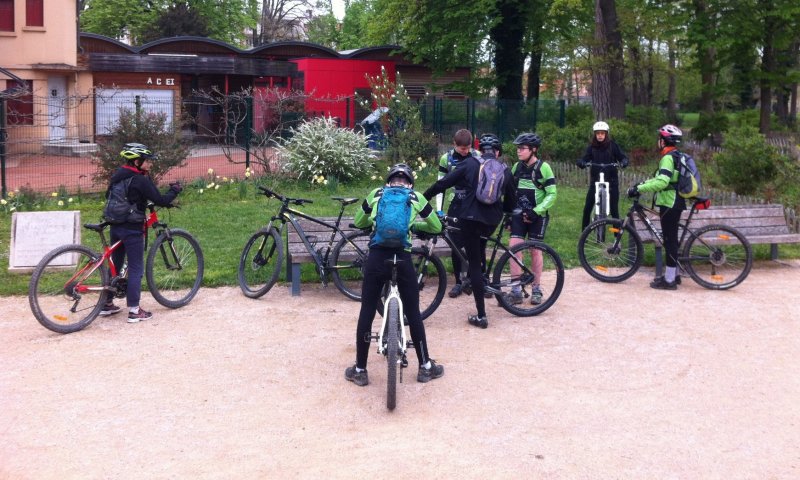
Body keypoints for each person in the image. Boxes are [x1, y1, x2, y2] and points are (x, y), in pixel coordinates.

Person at [345, 164, 444, 387]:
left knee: (367, 310)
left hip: (377, 258)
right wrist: (414, 226)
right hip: (403, 258)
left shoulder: (376, 194)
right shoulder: (415, 196)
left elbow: (360, 221)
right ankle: (426, 367)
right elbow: (436, 226)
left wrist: (373, 222)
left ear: (388, 181)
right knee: (413, 313)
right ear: (409, 183)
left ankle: (360, 369)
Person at [424, 134, 516, 329]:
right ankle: (484, 282)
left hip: (470, 218)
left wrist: (423, 198)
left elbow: (444, 183)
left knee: (473, 262)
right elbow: (511, 202)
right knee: (479, 249)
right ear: (498, 152)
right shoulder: (505, 170)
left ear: (480, 150)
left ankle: (481, 315)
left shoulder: (470, 164)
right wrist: (507, 217)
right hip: (492, 221)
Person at [100, 143, 183, 322]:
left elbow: (110, 196)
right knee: (136, 267)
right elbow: (160, 199)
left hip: (115, 224)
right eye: (147, 161)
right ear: (137, 161)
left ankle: (106, 303)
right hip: (131, 227)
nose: (150, 164)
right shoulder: (139, 180)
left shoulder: (118, 175)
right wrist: (174, 191)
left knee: (116, 262)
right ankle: (134, 311)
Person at [627, 124, 685, 290]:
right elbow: (660, 179)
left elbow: (662, 182)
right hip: (674, 201)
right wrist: (641, 185)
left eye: (659, 139)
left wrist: (639, 189)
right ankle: (674, 275)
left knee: (669, 240)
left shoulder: (668, 158)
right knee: (670, 239)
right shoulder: (675, 155)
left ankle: (669, 281)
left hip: (670, 202)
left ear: (664, 140)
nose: (657, 142)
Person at [504, 133, 557, 306]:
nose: (518, 151)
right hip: (519, 215)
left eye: (522, 148)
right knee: (514, 249)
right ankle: (516, 290)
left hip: (537, 217)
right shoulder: (517, 168)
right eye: (517, 148)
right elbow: (510, 193)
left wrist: (537, 211)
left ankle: (536, 289)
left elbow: (552, 194)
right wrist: (509, 216)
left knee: (535, 250)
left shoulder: (544, 168)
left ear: (533, 150)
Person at [434, 128, 480, 298]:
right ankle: (458, 282)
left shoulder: (476, 156)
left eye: (468, 148)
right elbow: (441, 184)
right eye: (462, 148)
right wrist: (439, 209)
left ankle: (474, 280)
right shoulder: (446, 159)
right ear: (454, 144)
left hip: (474, 206)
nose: (465, 151)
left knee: (474, 245)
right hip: (457, 204)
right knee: (455, 245)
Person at [577, 121, 629, 230]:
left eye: (602, 133)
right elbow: (584, 159)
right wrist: (581, 162)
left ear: (606, 134)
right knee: (587, 208)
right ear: (595, 134)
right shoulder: (591, 147)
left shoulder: (613, 146)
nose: (600, 135)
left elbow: (623, 157)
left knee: (614, 210)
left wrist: (624, 162)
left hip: (611, 183)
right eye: (598, 133)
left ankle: (616, 237)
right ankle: (584, 233)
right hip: (595, 182)